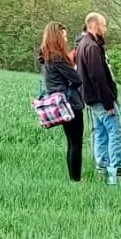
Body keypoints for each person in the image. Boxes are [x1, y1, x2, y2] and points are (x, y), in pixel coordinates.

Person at [74, 12, 121, 185]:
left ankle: (101, 169)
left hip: (89, 99)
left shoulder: (82, 44)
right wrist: (108, 102)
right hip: (100, 99)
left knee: (100, 134)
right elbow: (98, 76)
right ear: (95, 26)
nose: (106, 29)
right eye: (104, 25)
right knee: (116, 133)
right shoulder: (93, 47)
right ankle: (115, 172)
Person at [38, 23, 85, 182]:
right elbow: (77, 79)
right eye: (64, 35)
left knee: (70, 142)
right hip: (70, 103)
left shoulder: (46, 56)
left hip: (58, 103)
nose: (66, 38)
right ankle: (76, 179)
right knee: (76, 143)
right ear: (57, 37)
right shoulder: (58, 58)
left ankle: (73, 178)